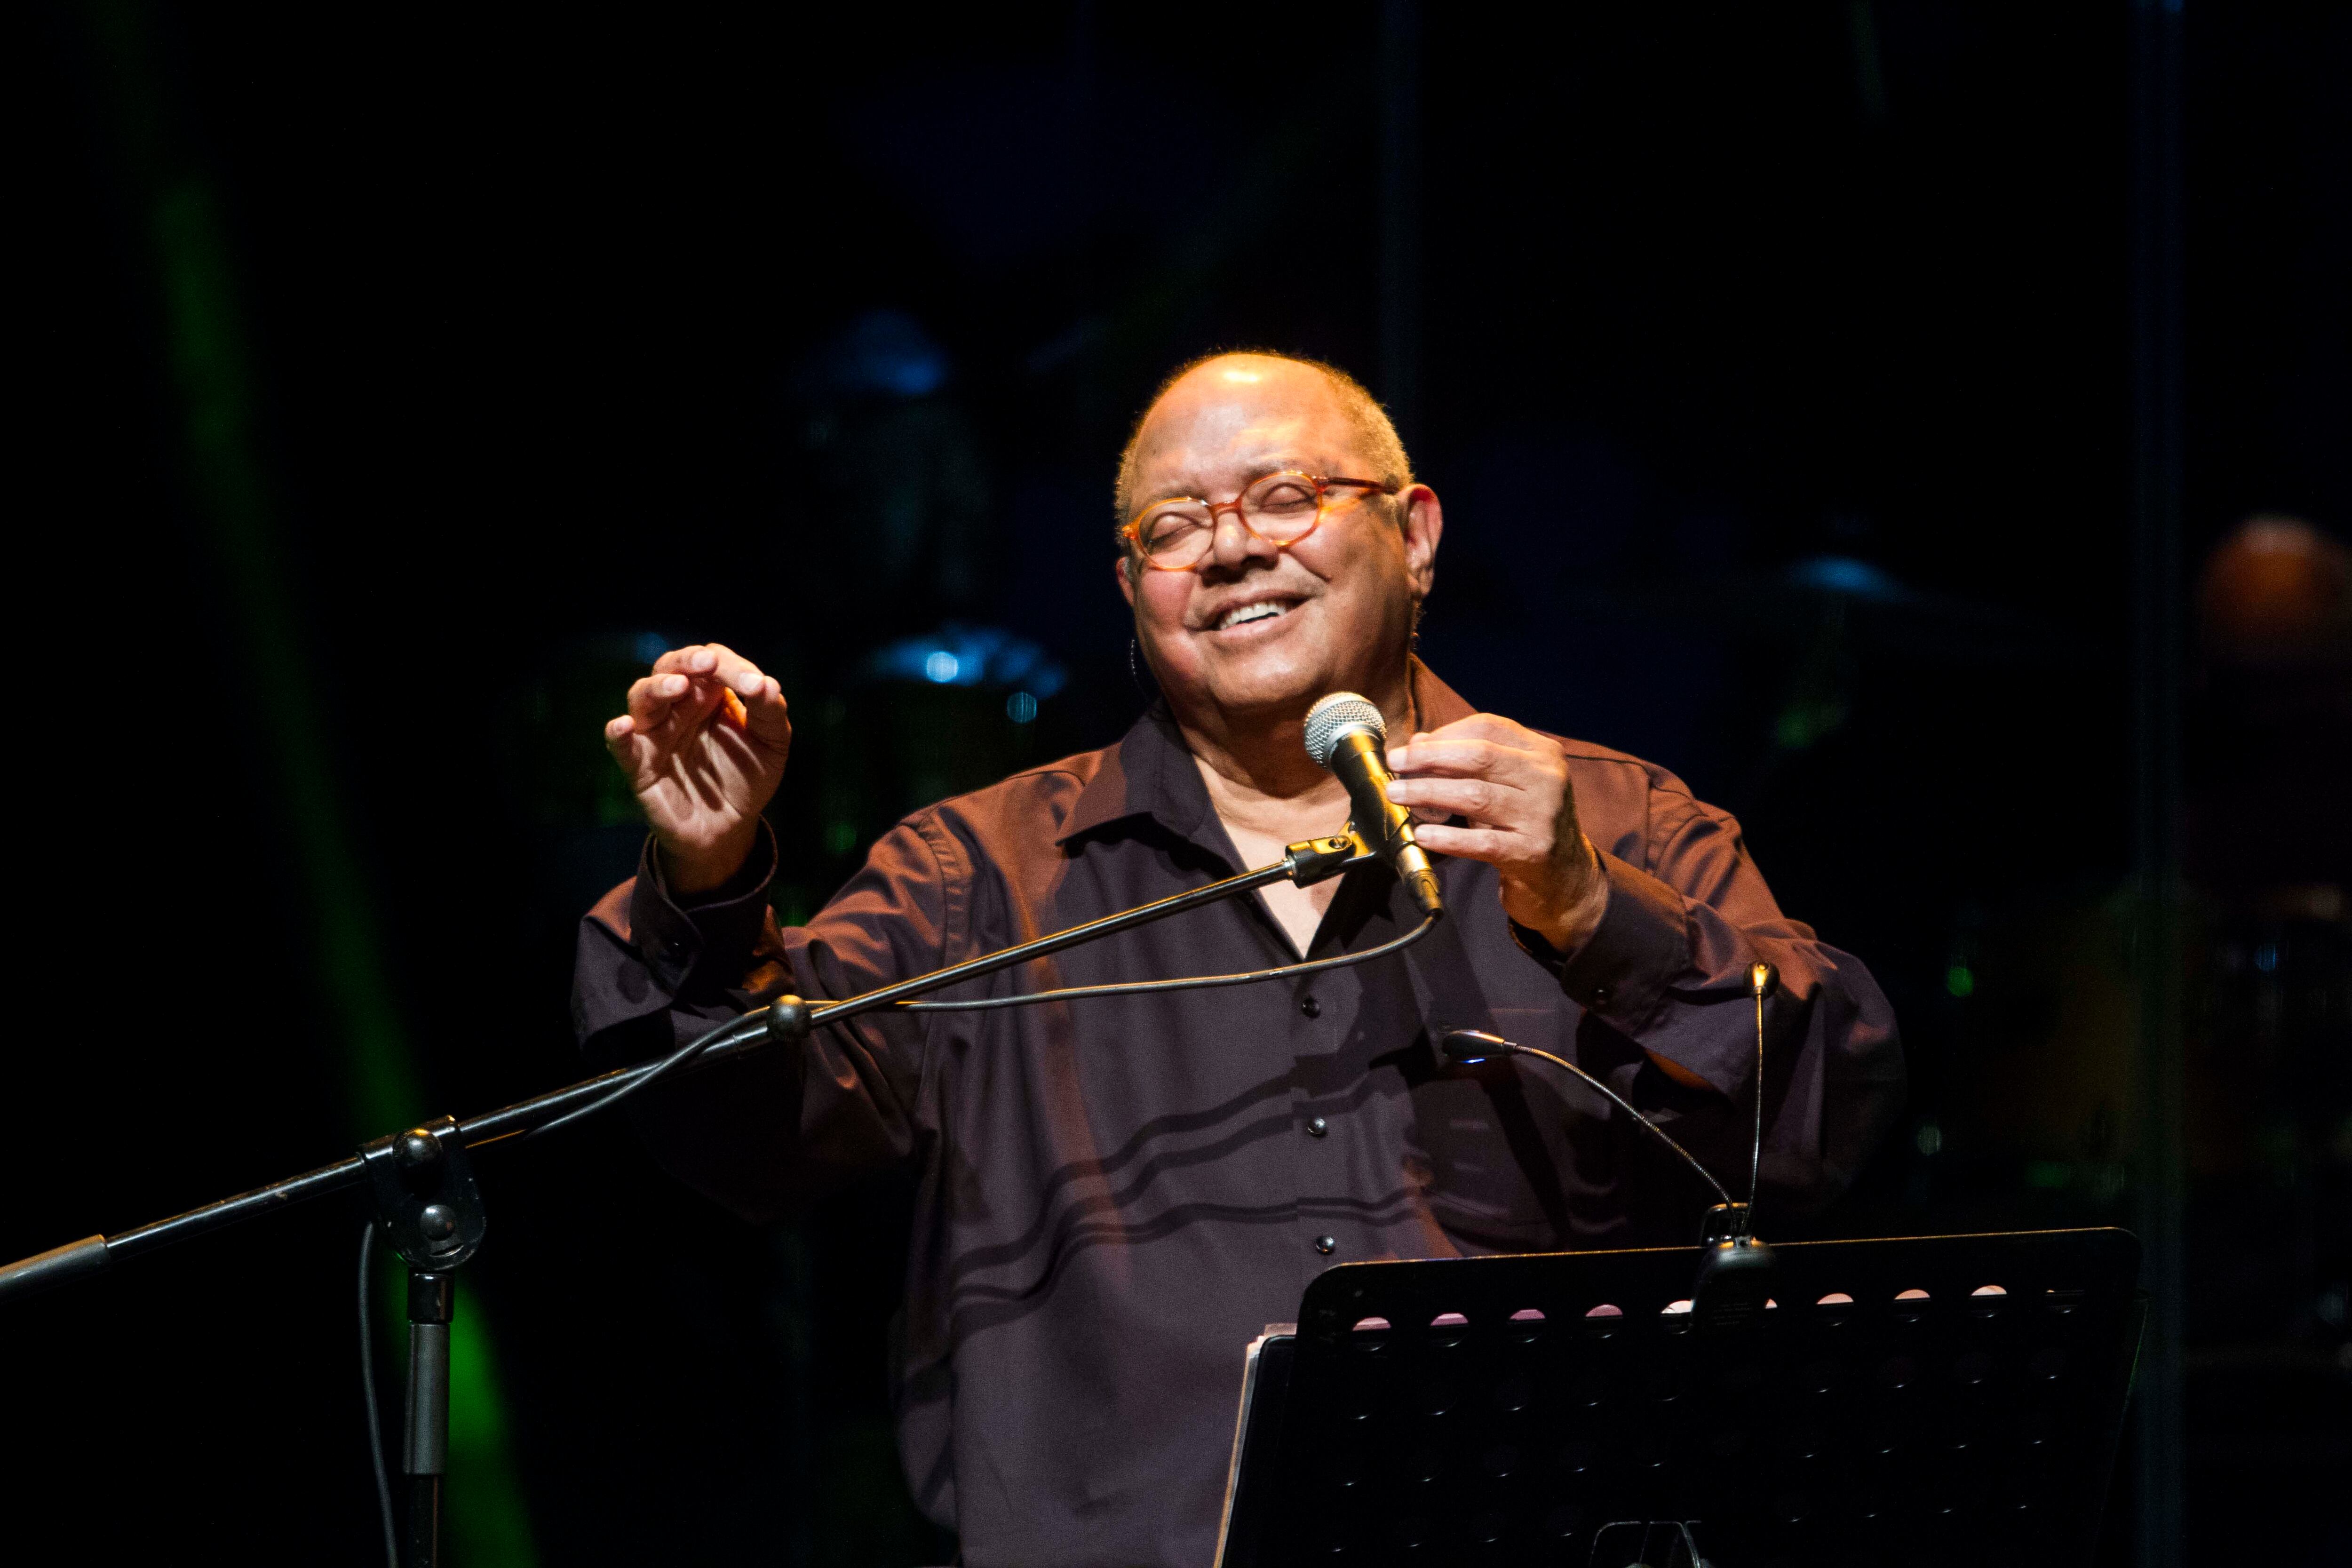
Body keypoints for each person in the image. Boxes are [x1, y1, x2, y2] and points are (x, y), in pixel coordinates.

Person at [575, 352, 1903, 1567]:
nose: (1231, 552)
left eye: (1285, 496)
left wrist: (1597, 910)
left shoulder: (1617, 824)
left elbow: (1820, 1125)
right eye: (1174, 526)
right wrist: (708, 879)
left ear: (1416, 534)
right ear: (1127, 589)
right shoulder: (979, 877)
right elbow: (749, 1130)